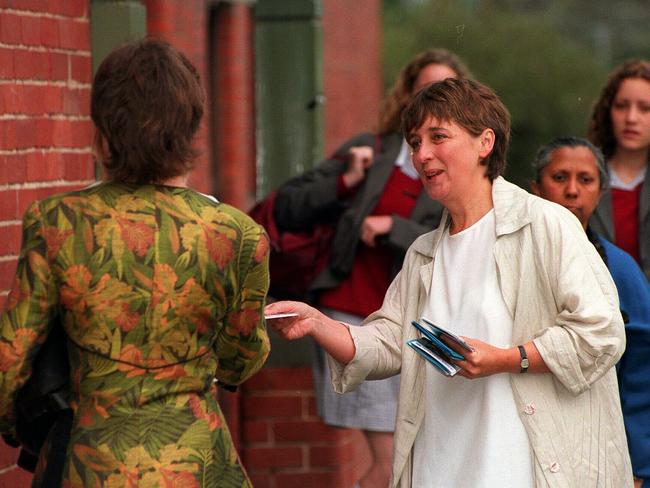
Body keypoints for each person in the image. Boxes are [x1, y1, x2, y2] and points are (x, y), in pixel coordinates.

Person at [266, 78, 634, 487]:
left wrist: (507, 358)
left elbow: (602, 333)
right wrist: (317, 322)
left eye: (438, 137)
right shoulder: (424, 252)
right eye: (415, 142)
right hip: (438, 468)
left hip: (524, 471)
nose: (422, 154)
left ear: (485, 143)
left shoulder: (546, 224)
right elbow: (389, 342)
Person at [0, 38, 270, 487]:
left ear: (103, 130)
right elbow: (240, 361)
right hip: (197, 462)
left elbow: (10, 359)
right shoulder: (238, 234)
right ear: (191, 127)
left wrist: (19, 428)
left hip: (93, 462)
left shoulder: (58, 222)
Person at [272, 48, 469, 487]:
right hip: (355, 317)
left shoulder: (459, 167)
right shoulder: (374, 150)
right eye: (425, 89)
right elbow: (288, 205)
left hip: (418, 325)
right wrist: (346, 180)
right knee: (390, 460)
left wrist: (393, 227)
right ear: (406, 95)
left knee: (407, 456)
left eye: (447, 91)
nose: (434, 99)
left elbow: (448, 232)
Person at [531, 136, 650, 488]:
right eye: (559, 178)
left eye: (585, 180)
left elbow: (642, 369)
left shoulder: (619, 269)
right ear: (535, 189)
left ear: (600, 193)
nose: (571, 191)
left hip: (600, 445)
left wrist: (639, 462)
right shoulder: (509, 258)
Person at [588, 59, 650, 280]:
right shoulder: (581, 180)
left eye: (645, 109)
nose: (631, 118)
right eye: (622, 106)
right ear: (608, 110)